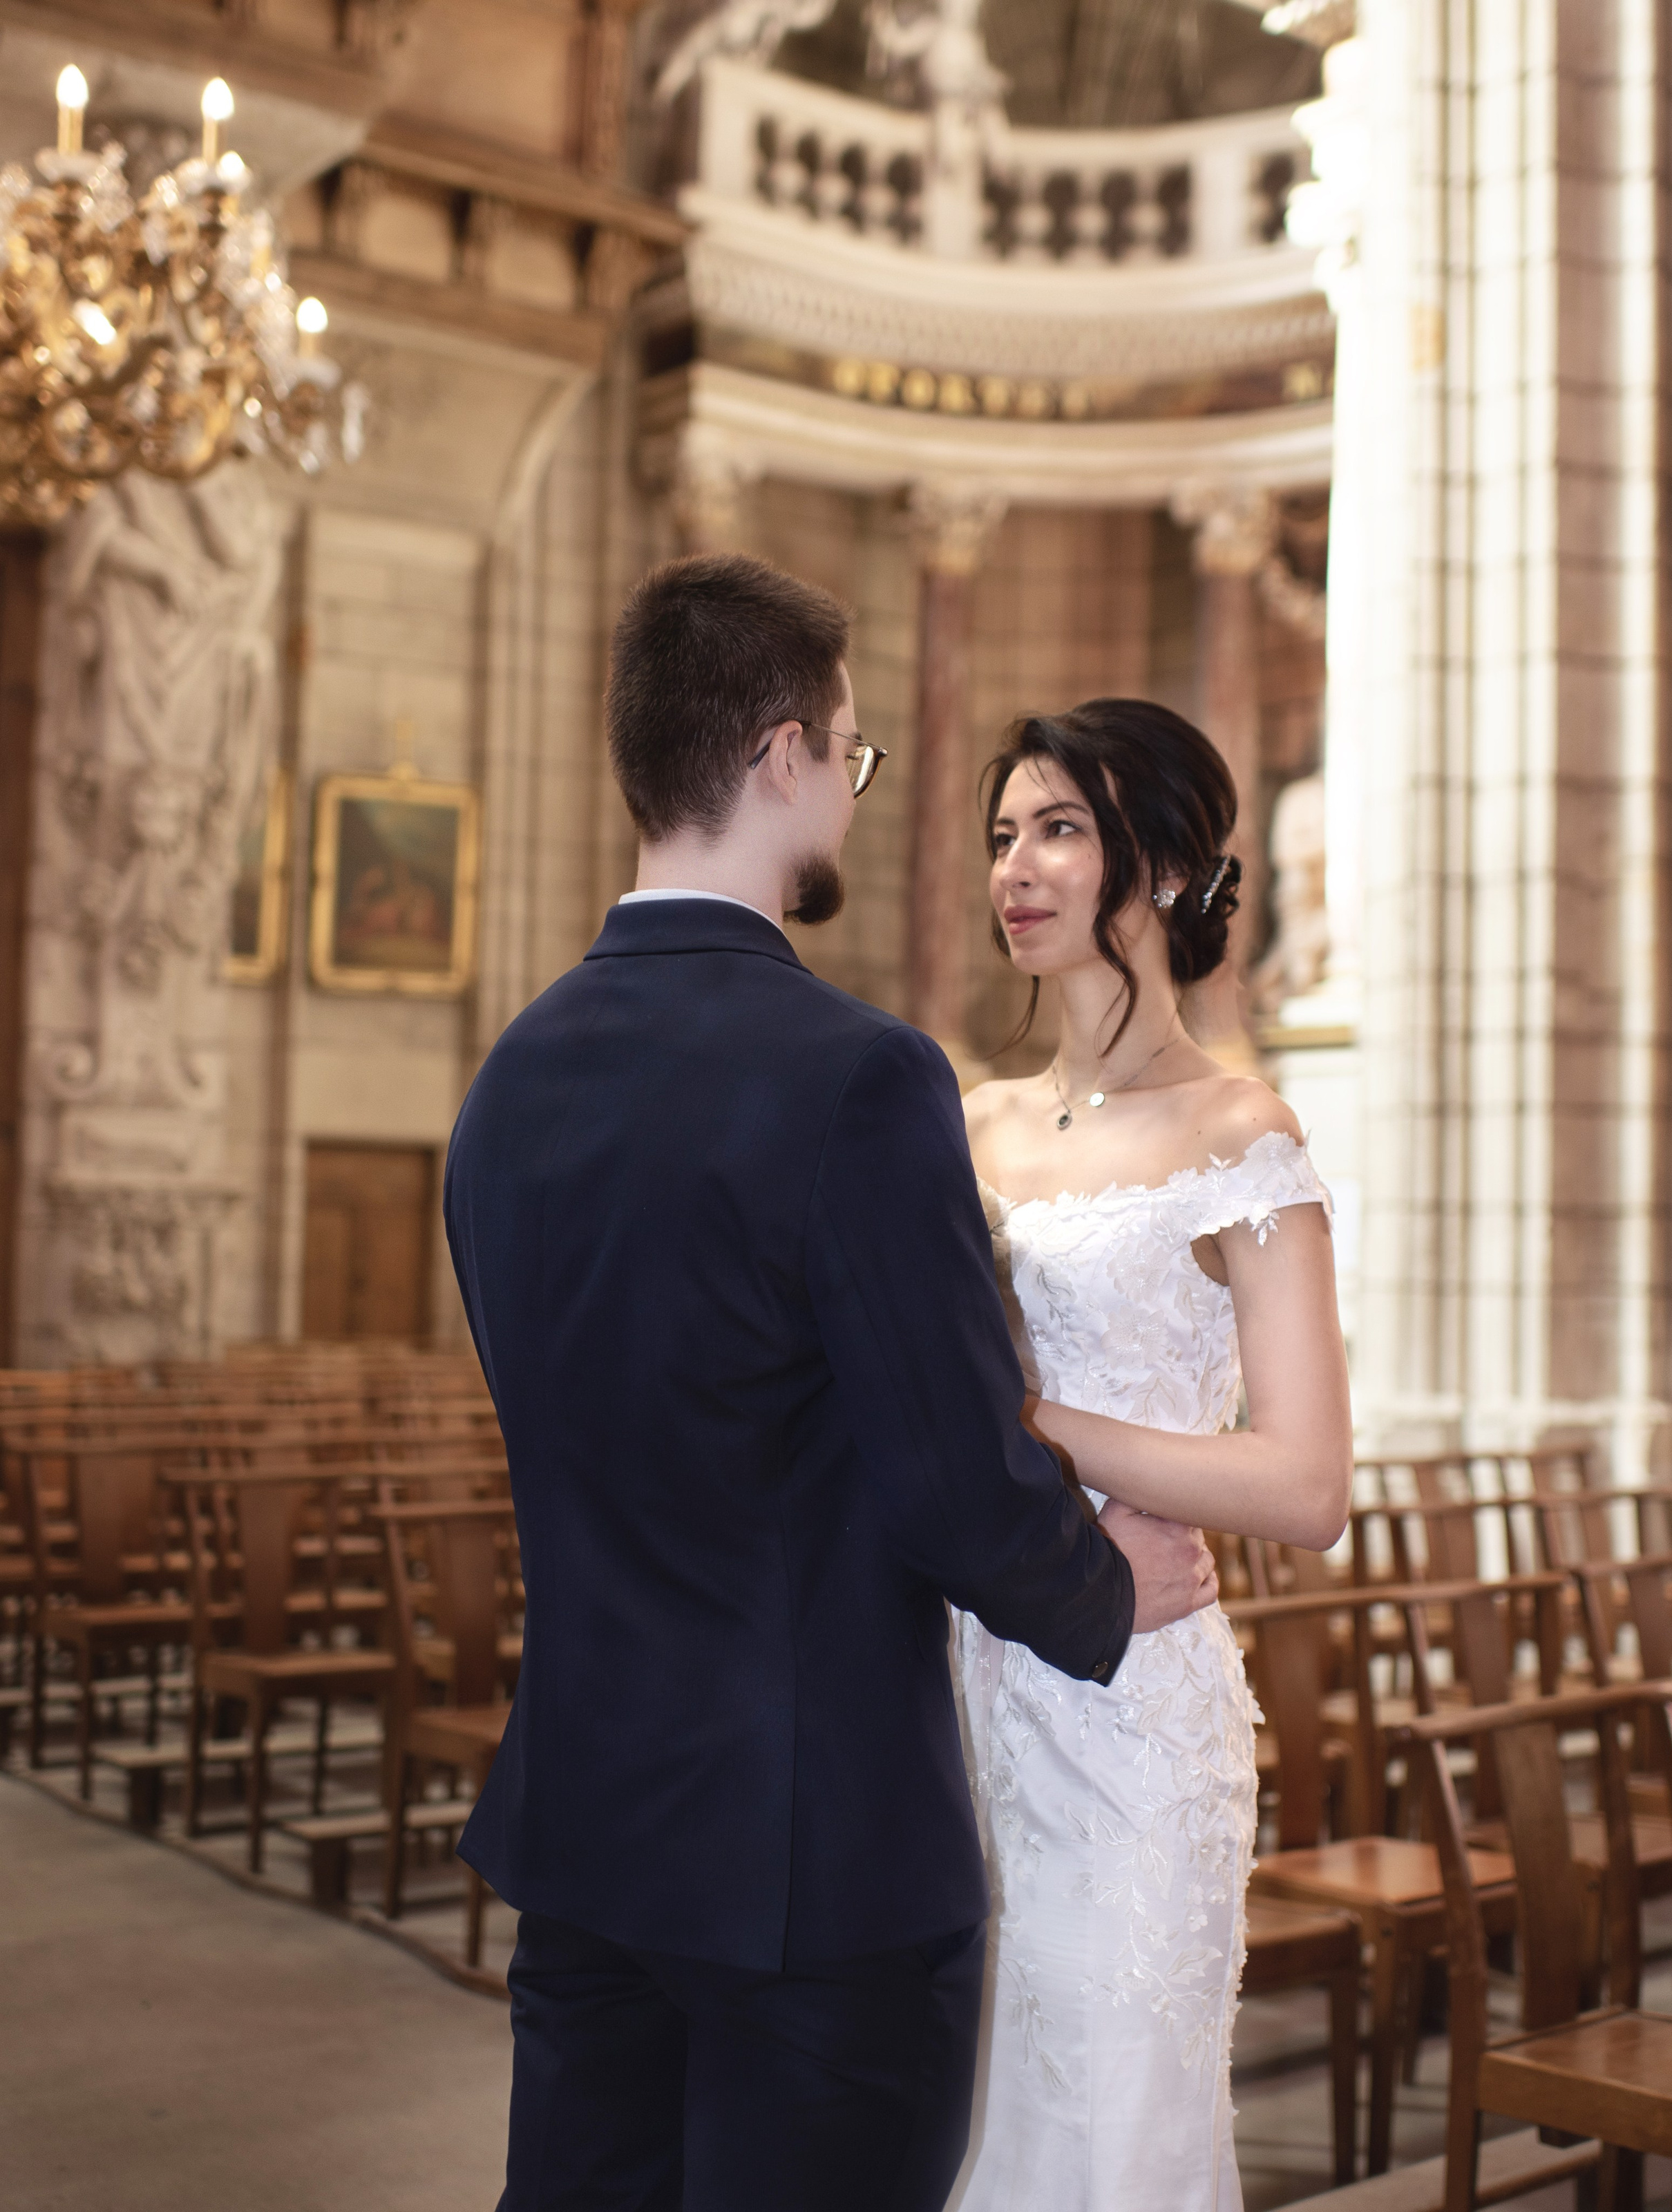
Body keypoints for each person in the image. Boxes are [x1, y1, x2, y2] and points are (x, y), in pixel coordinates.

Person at [442, 556, 1220, 2212]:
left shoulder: (504, 1081)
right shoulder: (859, 1076)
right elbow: (944, 1466)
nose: (852, 799)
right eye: (853, 759)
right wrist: (1101, 1582)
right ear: (784, 754)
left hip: (587, 1823)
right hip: (812, 1860)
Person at [951, 700, 1354, 2212]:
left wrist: (1033, 1417)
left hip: (1135, 1708)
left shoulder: (1239, 1132)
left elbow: (1305, 1484)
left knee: (1105, 2125)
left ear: (1167, 863)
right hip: (965, 1674)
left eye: (1061, 827)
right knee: (967, 2112)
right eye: (1003, 832)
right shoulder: (968, 1122)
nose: (1018, 865)